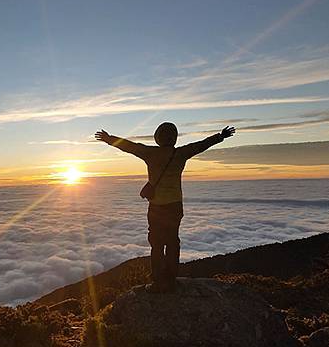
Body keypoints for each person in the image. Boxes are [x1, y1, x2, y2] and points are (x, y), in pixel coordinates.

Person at [95, 123, 236, 293]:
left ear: (158, 137)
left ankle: (158, 281)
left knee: (156, 244)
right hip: (175, 206)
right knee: (172, 242)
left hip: (156, 207)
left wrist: (109, 139)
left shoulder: (150, 153)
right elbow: (201, 145)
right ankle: (171, 278)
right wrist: (220, 136)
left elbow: (129, 146)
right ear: (174, 137)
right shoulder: (181, 153)